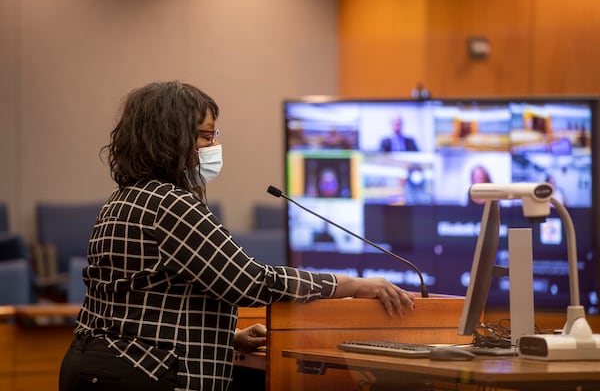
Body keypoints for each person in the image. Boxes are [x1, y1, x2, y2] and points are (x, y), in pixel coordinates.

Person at [58, 81, 415, 391]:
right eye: (205, 135)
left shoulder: (122, 199)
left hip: (98, 365)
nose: (214, 145)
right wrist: (350, 285)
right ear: (171, 139)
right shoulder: (170, 204)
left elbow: (141, 305)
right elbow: (249, 282)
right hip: (143, 375)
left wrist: (226, 338)